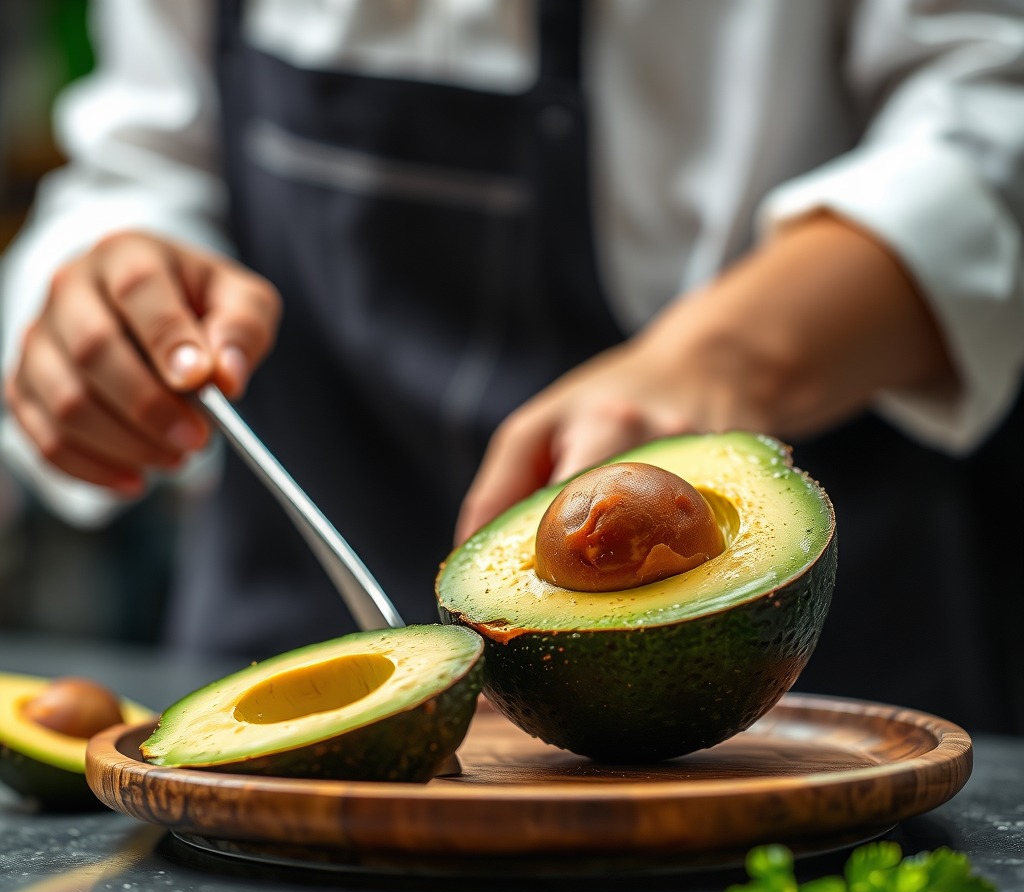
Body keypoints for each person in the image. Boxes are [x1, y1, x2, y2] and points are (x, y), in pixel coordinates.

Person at [2, 1, 1022, 732]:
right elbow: (141, 159)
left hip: (783, 704)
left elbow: (991, 121)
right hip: (274, 656)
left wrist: (715, 360)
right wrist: (100, 292)